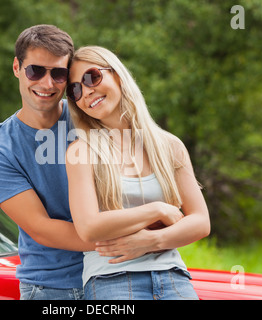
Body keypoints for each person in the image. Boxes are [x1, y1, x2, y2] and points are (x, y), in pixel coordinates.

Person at [65, 46, 211, 300]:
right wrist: (159, 210)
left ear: (117, 75)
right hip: (112, 279)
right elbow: (89, 227)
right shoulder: (81, 151)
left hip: (172, 274)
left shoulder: (170, 146)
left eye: (91, 77)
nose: (86, 91)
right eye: (75, 90)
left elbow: (200, 222)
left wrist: (151, 241)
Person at [0, 25, 92, 300]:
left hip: (113, 273)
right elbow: (42, 228)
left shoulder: (92, 118)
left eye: (58, 73)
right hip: (51, 286)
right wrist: (129, 241)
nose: (47, 83)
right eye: (35, 71)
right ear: (17, 67)